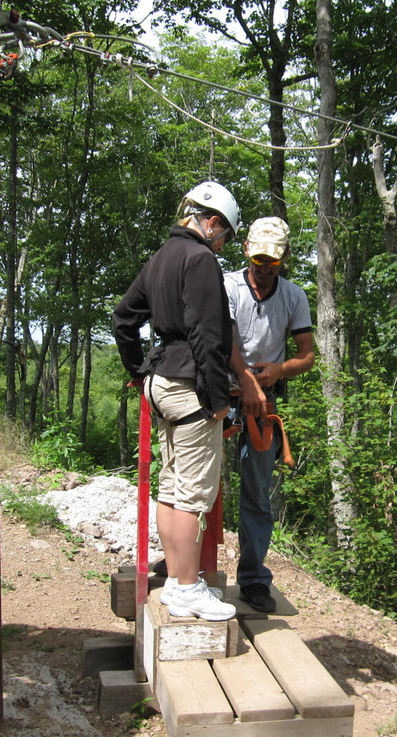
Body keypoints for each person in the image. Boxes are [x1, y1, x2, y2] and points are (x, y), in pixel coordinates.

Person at [111, 181, 240, 622]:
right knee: (192, 495)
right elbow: (208, 335)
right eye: (225, 236)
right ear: (212, 222)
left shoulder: (161, 257)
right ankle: (186, 588)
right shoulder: (200, 259)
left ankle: (177, 583)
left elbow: (123, 319)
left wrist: (136, 371)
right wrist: (218, 399)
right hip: (191, 389)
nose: (223, 246)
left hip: (162, 382)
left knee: (170, 487)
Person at [225, 216, 315, 613]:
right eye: (259, 259)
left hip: (264, 406)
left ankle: (254, 578)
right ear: (246, 250)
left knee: (257, 493)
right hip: (221, 397)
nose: (263, 269)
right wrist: (246, 380)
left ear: (285, 259)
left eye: (273, 262)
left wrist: (279, 371)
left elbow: (307, 355)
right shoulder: (226, 287)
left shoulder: (294, 297)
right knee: (202, 485)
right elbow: (222, 341)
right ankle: (186, 567)